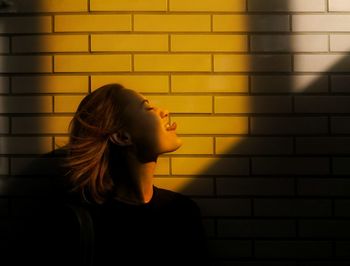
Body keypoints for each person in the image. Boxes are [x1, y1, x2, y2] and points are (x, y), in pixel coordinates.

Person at [59, 83, 210, 265]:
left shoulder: (183, 212)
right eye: (148, 109)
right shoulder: (78, 222)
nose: (165, 112)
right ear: (122, 137)